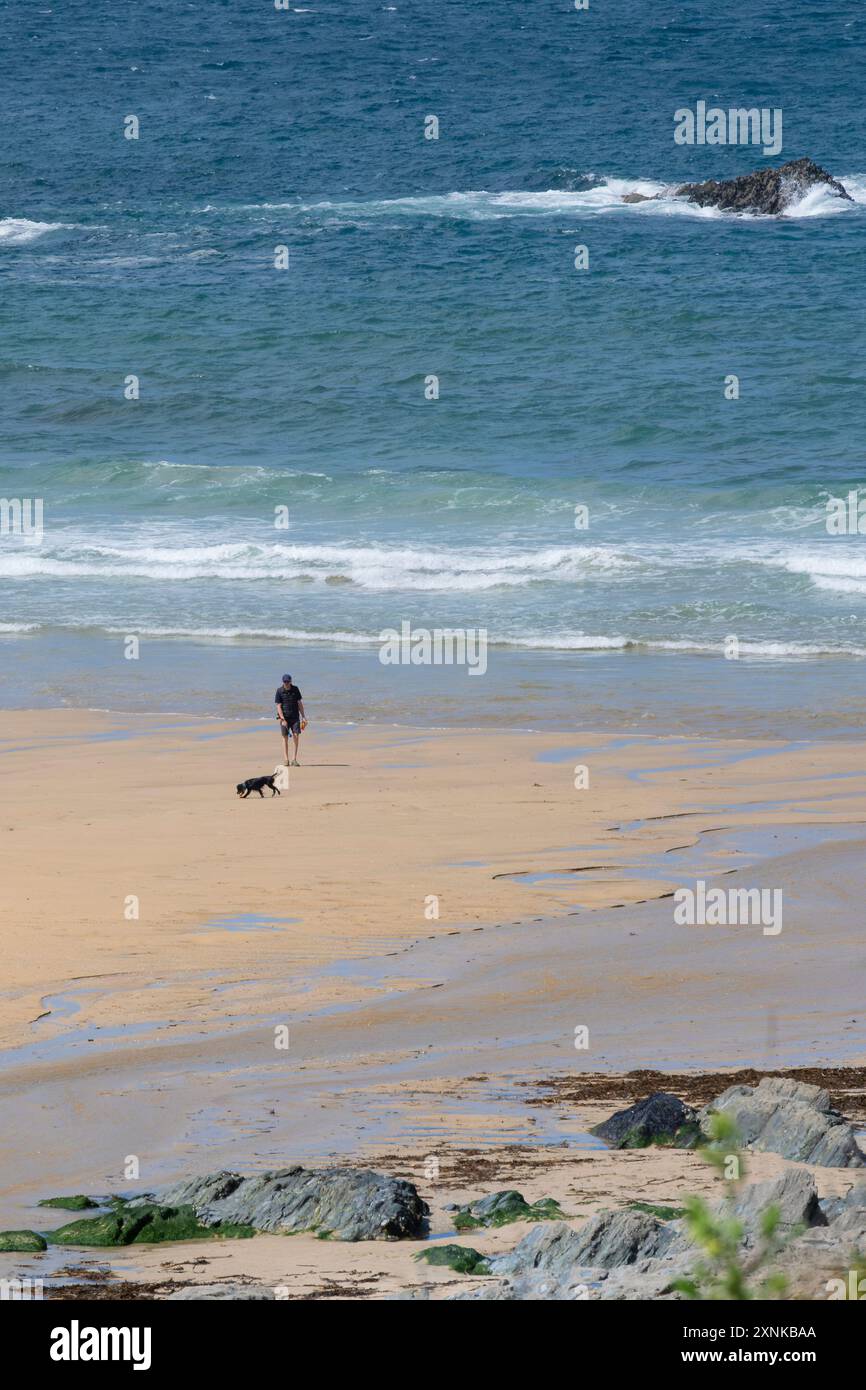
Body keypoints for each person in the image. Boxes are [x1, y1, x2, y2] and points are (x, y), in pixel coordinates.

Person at [274, 674, 306, 766]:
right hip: (284, 718)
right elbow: (278, 706)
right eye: (285, 682)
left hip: (295, 717)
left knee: (296, 736)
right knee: (285, 738)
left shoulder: (295, 689)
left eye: (288, 681)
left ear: (291, 681)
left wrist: (303, 716)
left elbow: (299, 703)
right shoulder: (279, 691)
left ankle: (294, 759)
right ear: (283, 682)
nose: (287, 683)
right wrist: (282, 719)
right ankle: (286, 759)